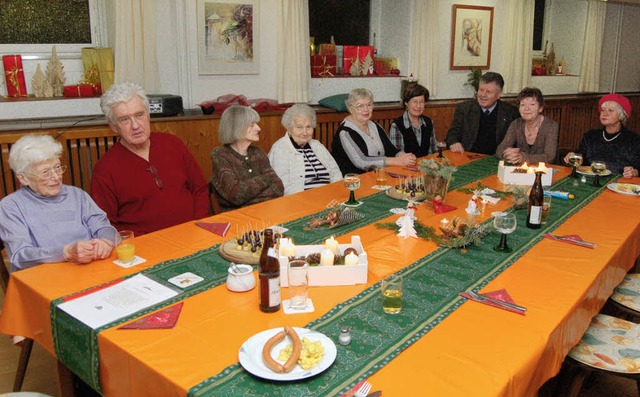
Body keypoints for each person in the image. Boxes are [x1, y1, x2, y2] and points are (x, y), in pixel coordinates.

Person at [91, 81, 209, 235]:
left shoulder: (173, 144)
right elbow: (106, 225)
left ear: (148, 113)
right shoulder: (105, 169)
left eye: (139, 115)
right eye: (125, 119)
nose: (135, 126)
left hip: (193, 235)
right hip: (146, 250)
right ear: (113, 126)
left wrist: (198, 225)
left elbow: (199, 189)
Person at [0, 134, 116, 272]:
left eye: (57, 167)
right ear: (23, 178)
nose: (56, 177)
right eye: (45, 172)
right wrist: (65, 252)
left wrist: (105, 241)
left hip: (90, 269)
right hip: (44, 277)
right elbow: (20, 255)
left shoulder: (76, 195)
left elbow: (103, 226)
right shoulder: (11, 206)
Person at [210, 106, 284, 211]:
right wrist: (266, 177)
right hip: (237, 219)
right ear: (236, 128)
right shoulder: (220, 155)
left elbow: (278, 188)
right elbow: (236, 194)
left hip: (265, 213)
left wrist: (245, 200)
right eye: (252, 125)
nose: (259, 128)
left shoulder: (257, 152)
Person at [331, 88, 416, 175]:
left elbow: (391, 149)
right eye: (360, 106)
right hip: (354, 181)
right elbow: (362, 161)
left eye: (369, 105)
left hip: (378, 175)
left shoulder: (374, 125)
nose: (366, 109)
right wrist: (396, 161)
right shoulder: (345, 132)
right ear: (350, 109)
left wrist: (404, 156)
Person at [268, 104, 342, 195]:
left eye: (308, 127)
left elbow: (335, 172)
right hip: (301, 200)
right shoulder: (280, 149)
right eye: (299, 127)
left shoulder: (317, 145)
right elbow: (282, 186)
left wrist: (337, 192)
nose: (305, 132)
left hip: (329, 195)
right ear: (289, 129)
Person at [564, 93, 640, 177]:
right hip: (590, 181)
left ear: (621, 116)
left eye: (610, 110)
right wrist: (571, 156)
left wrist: (634, 172)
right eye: (603, 110)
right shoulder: (590, 136)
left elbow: (638, 167)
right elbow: (580, 156)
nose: (604, 113)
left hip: (619, 184)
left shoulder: (633, 140)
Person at [446, 72, 519, 155]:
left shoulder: (510, 112)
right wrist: (454, 142)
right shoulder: (464, 109)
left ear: (499, 94)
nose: (483, 95)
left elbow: (515, 141)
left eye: (488, 92)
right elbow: (452, 134)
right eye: (481, 90)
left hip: (497, 159)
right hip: (468, 156)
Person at [496, 87, 558, 164]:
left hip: (544, 171)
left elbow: (549, 157)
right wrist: (507, 154)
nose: (527, 108)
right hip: (520, 170)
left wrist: (523, 158)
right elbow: (500, 149)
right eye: (523, 105)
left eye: (532, 104)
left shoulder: (551, 126)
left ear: (540, 108)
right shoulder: (516, 124)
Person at [389, 83, 439, 158]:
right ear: (406, 103)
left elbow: (433, 151)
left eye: (421, 102)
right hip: (405, 167)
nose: (418, 106)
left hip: (426, 166)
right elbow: (397, 156)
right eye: (415, 102)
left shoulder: (428, 122)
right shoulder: (396, 126)